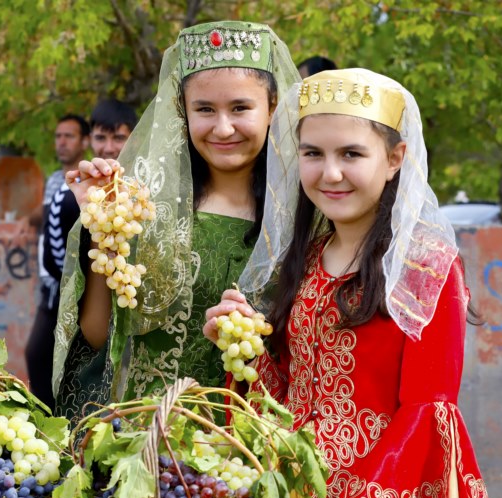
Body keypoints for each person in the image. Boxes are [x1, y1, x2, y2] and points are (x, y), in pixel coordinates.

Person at [204, 69, 495, 498]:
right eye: (313, 154)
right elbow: (283, 395)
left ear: (395, 158)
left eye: (351, 154)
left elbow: (425, 418)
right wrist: (244, 350)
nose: (330, 173)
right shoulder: (307, 260)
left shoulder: (426, 270)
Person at [52, 21, 300, 421]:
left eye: (240, 108)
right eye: (204, 109)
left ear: (272, 107)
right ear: (182, 112)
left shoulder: (302, 218)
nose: (223, 128)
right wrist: (102, 228)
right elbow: (99, 333)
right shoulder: (142, 205)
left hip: (252, 446)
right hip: (146, 443)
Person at [24, 114, 90, 408]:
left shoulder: (89, 181)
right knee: (39, 358)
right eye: (58, 136)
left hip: (72, 291)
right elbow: (46, 214)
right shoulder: (54, 180)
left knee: (53, 359)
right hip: (48, 287)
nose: (61, 142)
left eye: (69, 136)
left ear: (84, 142)